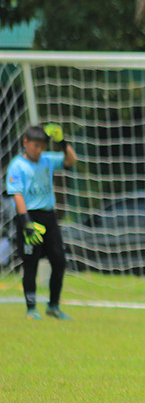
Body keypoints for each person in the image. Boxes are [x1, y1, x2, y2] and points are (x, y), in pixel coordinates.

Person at [5, 124, 78, 320]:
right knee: (30, 264)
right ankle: (31, 308)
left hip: (49, 217)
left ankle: (53, 306)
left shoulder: (47, 160)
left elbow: (71, 160)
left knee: (60, 261)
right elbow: (17, 194)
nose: (39, 150)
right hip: (29, 218)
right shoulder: (17, 165)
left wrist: (62, 141)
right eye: (36, 146)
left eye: (43, 146)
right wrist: (26, 221)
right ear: (25, 142)